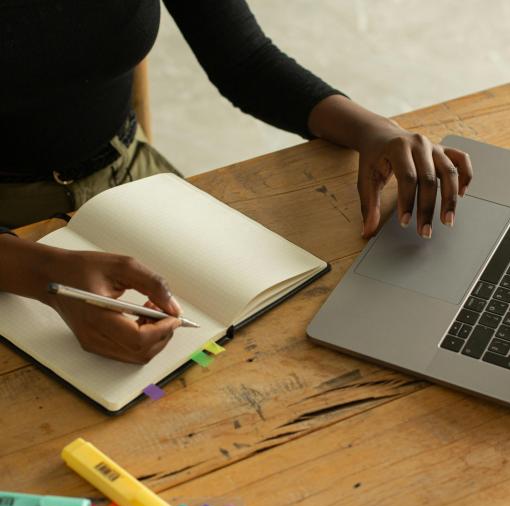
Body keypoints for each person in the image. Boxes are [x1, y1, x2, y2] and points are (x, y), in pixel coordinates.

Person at [0, 0, 472, 364]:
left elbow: (244, 59)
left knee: (251, 333)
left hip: (128, 175)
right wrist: (42, 276)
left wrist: (374, 130)